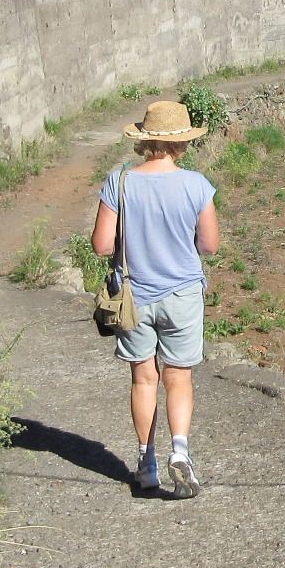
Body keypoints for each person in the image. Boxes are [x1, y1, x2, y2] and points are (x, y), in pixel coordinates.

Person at [92, 99, 220, 498]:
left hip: (134, 296)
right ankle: (179, 453)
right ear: (182, 143)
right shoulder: (196, 185)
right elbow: (210, 245)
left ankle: (146, 462)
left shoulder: (120, 182)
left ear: (144, 142)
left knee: (143, 378)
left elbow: (100, 245)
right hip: (181, 295)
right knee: (177, 378)